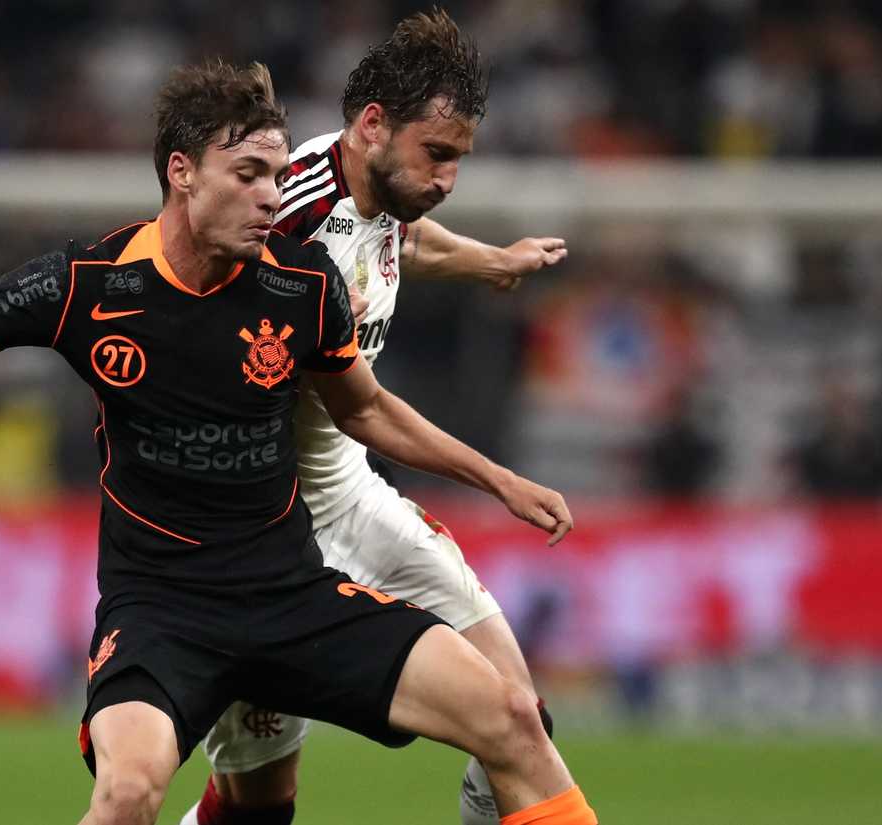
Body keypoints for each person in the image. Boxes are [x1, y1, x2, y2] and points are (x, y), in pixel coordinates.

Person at [0, 60, 596, 825]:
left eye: (277, 175)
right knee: (130, 792)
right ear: (182, 172)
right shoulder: (89, 282)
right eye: (249, 174)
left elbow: (367, 411)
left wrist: (500, 480)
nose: (272, 197)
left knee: (514, 717)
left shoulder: (302, 283)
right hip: (160, 610)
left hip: (290, 592)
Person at [177, 11, 568, 825]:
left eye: (459, 158)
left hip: (353, 499)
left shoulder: (378, 188)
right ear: (372, 125)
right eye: (439, 155)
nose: (448, 177)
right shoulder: (286, 213)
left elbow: (405, 241)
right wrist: (498, 479)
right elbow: (211, 321)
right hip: (260, 534)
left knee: (519, 715)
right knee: (257, 811)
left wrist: (494, 260)